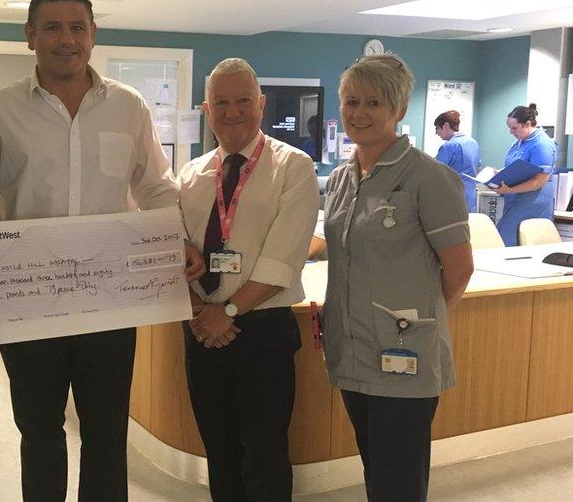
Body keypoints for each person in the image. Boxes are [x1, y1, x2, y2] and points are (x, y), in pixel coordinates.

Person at [0, 0, 204, 502]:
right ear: (30, 36)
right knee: (40, 430)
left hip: (108, 302)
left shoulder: (129, 106)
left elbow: (155, 185)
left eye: (77, 27)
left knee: (105, 431)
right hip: (31, 301)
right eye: (52, 27)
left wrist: (177, 236)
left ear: (93, 35)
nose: (65, 38)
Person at [322, 53, 474, 502]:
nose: (360, 113)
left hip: (403, 354)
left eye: (373, 102)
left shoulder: (429, 178)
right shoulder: (341, 180)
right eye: (351, 102)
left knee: (399, 482)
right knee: (376, 468)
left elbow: (460, 268)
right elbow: (341, 245)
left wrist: (418, 320)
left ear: (399, 110)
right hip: (353, 350)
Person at [178, 58, 319, 501]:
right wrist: (204, 312)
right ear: (207, 109)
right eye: (221, 102)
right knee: (218, 450)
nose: (232, 111)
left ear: (260, 105)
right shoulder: (190, 174)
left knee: (264, 452)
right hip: (202, 328)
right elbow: (174, 250)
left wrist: (229, 312)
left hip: (262, 329)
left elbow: (285, 258)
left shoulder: (293, 167)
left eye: (242, 101)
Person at [494, 103, 558, 246]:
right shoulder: (519, 143)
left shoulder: (542, 144)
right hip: (515, 200)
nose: (511, 132)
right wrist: (499, 175)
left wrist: (509, 190)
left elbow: (540, 180)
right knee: (506, 241)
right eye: (509, 128)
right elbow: (515, 168)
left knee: (511, 242)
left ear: (527, 124)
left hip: (532, 203)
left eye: (514, 128)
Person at [433, 110, 480, 212]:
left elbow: (434, 170)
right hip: (470, 194)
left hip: (454, 194)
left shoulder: (450, 146)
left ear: (445, 125)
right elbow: (478, 164)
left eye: (437, 128)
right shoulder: (473, 142)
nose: (436, 133)